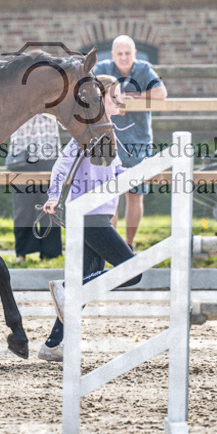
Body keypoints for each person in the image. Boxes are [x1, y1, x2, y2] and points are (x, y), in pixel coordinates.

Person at [37, 75, 140, 362]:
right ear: (99, 100)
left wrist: (139, 173)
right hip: (88, 216)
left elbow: (117, 174)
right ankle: (68, 290)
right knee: (132, 272)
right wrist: (53, 196)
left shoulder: (107, 135)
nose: (120, 100)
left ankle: (52, 345)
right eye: (114, 96)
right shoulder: (85, 136)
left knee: (86, 282)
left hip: (99, 216)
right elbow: (61, 167)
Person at [94, 35, 167, 249]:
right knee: (111, 195)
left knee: (135, 194)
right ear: (113, 55)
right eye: (120, 53)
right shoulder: (103, 68)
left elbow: (161, 93)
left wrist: (135, 98)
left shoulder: (144, 69)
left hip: (139, 141)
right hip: (109, 140)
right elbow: (88, 91)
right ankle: (113, 247)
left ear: (134, 54)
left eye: (128, 53)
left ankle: (128, 244)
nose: (124, 57)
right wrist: (117, 99)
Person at [6, 113, 62, 262]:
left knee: (50, 206)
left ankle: (51, 254)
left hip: (48, 151)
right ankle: (23, 253)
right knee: (23, 208)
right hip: (21, 152)